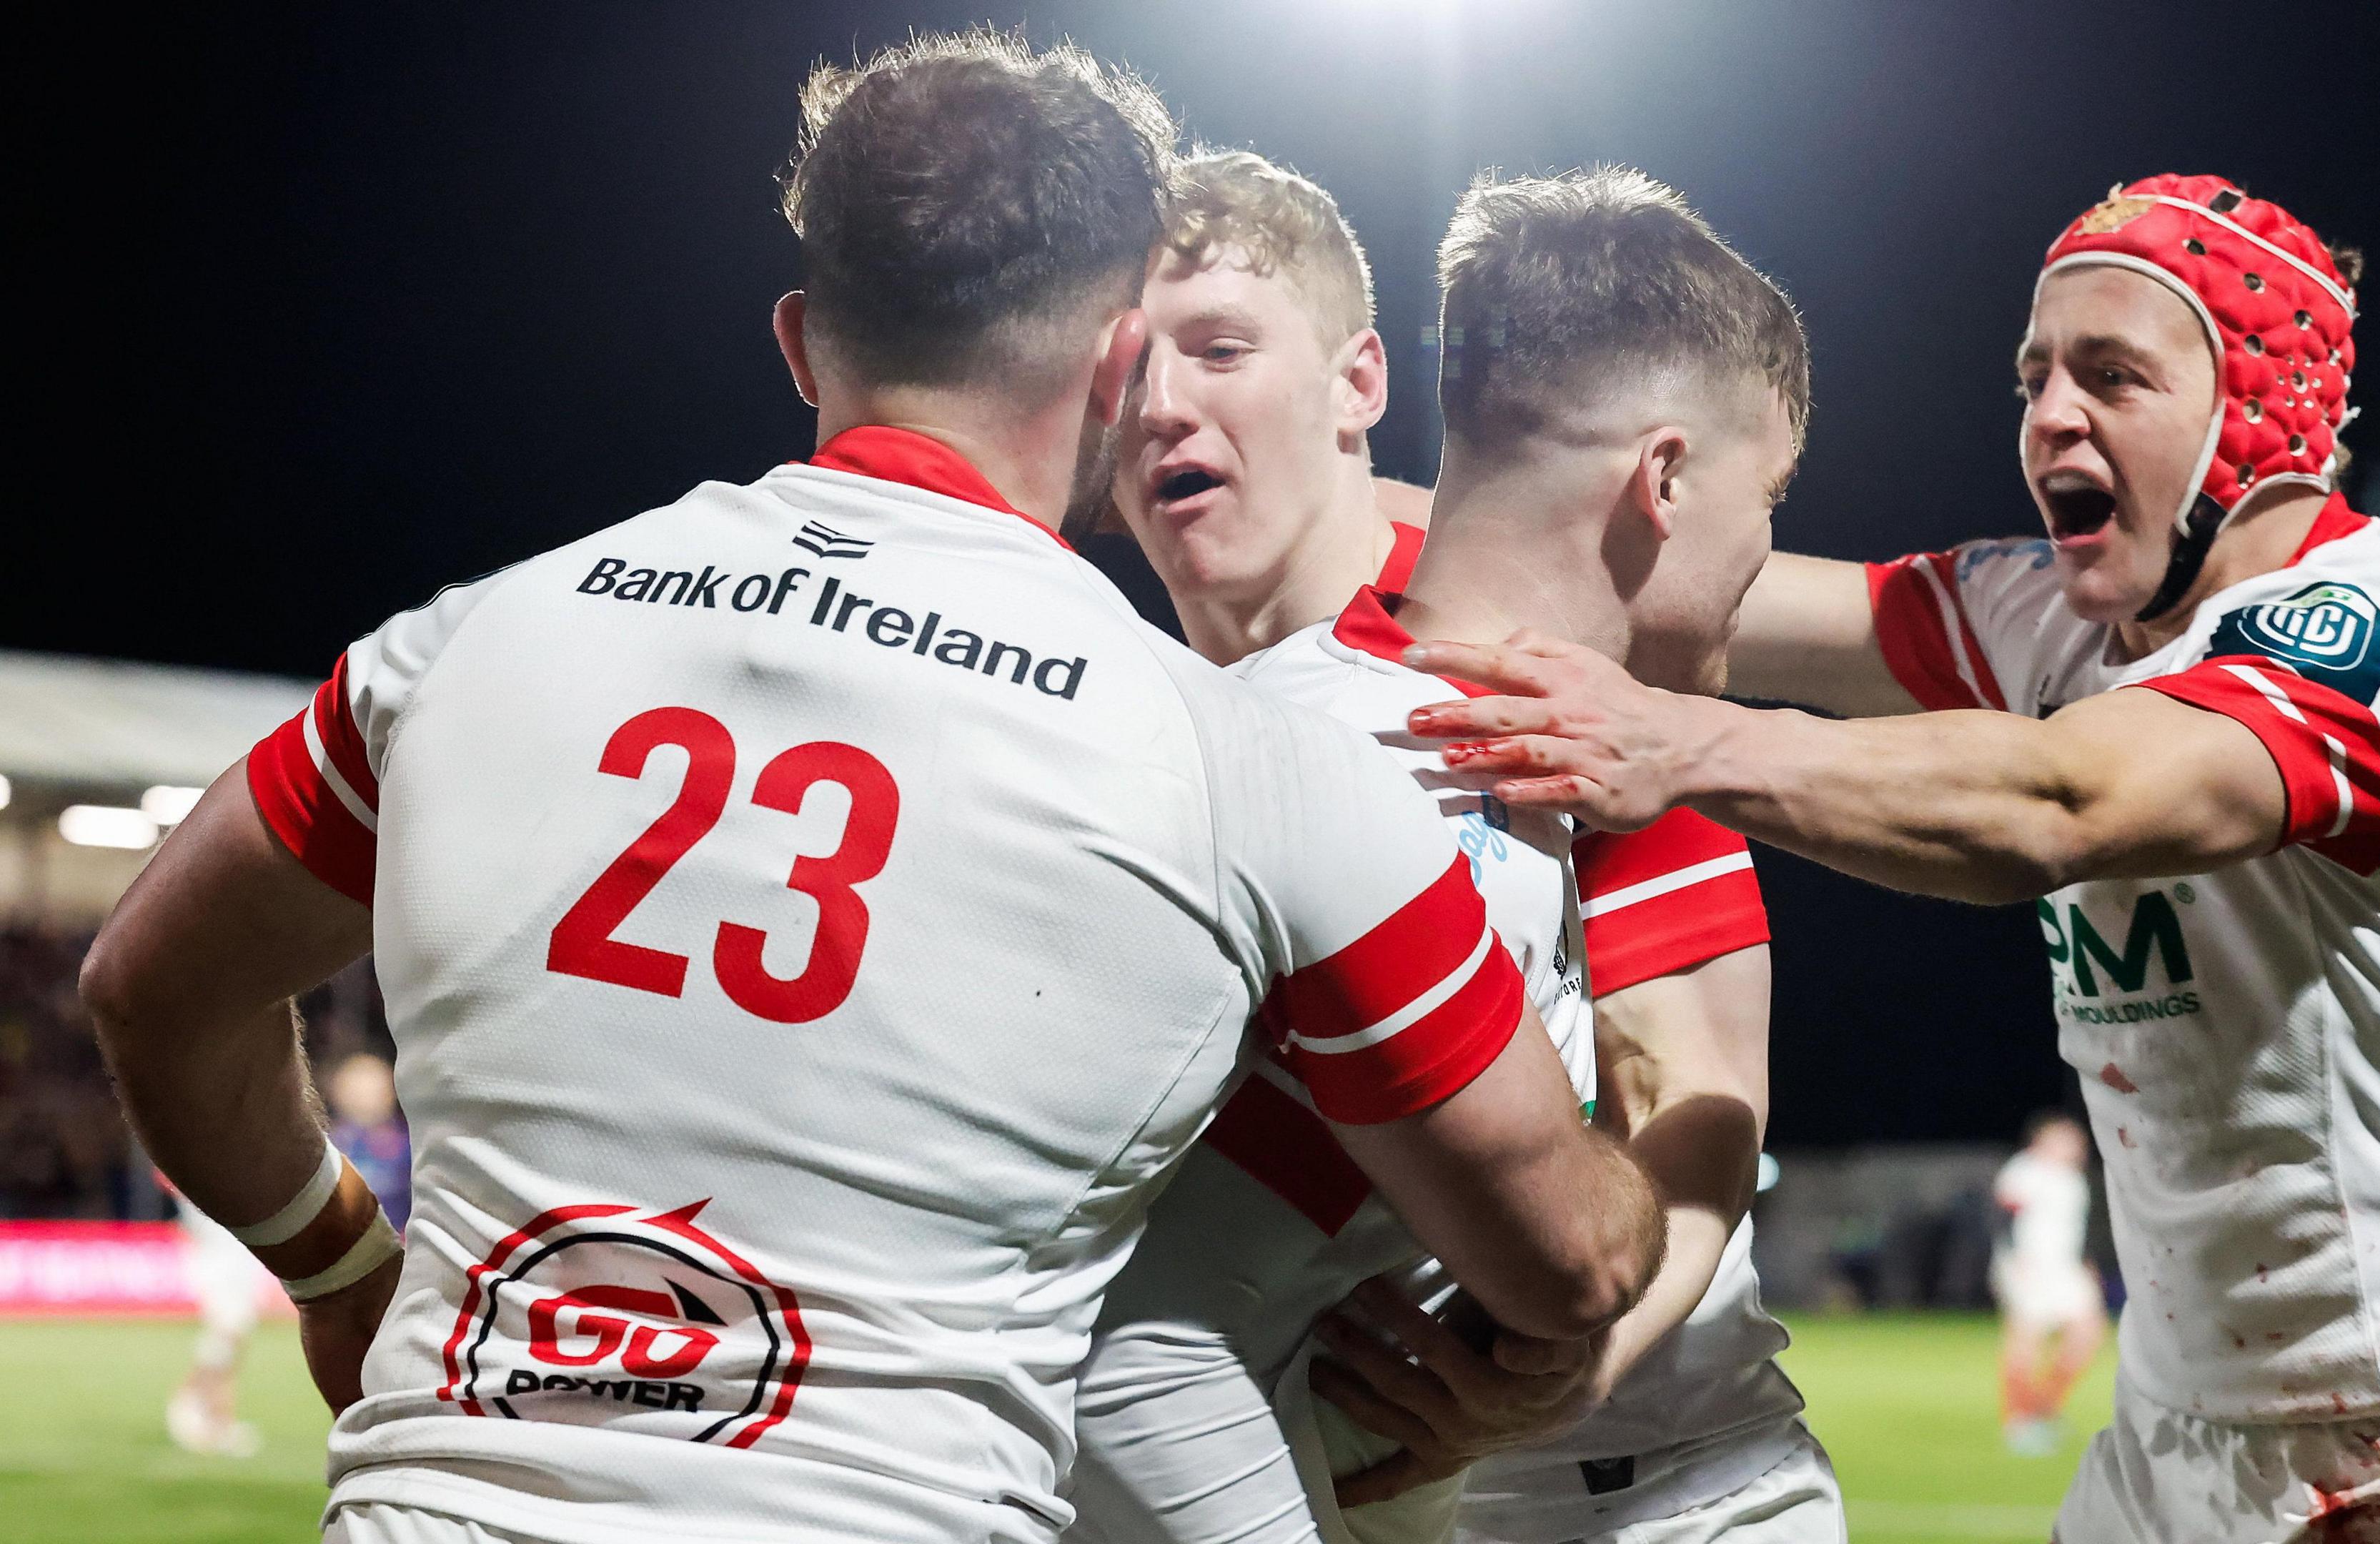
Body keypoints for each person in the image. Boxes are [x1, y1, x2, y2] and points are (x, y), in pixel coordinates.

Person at [78, 34, 1664, 1544]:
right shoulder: (1248, 761)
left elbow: (149, 983)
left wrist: (338, 1263)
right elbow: (1576, 1260)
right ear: (1119, 364)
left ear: (797, 340)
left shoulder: (465, 648)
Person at [1402, 174, 2380, 1542]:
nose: (2050, 417)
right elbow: (1670, 568)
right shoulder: (2058, 620)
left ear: (2259, 418)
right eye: (2035, 375)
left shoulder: (2352, 650)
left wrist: (1682, 743)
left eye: (2111, 375)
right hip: (2169, 1440)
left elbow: (2064, 802)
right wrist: (1324, 493)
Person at [1071, 155, 1838, 1544]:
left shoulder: (1553, 718)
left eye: (1224, 348)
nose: (1167, 404)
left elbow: (1697, 1092)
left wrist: (1563, 1365)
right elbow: (1144, 1314)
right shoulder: (1300, 750)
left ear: (1361, 381)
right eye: (1135, 367)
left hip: (1652, 1483)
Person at [1988, 1113, 2102, 1458]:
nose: (2077, 1146)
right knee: (2027, 1340)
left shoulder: (2072, 1179)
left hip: (2064, 1268)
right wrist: (2014, 1257)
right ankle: (2018, 1422)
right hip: (2030, 1267)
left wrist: (2085, 1262)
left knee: (2087, 1335)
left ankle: (2043, 1409)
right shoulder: (2024, 1171)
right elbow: (2001, 1216)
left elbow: (2073, 1230)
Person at [167, 1188, 269, 1458]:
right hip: (219, 1250)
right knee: (227, 1333)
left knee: (233, 1335)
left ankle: (198, 1407)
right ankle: (212, 1415)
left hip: (236, 1246)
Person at [325, 1053, 411, 1230]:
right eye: (357, 1092)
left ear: (392, 1092)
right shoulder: (331, 1144)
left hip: (402, 1239)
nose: (365, 1099)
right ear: (337, 1093)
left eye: (373, 1090)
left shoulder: (408, 1143)